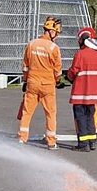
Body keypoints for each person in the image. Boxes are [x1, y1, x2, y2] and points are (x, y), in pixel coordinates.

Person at [18, 17, 62, 149]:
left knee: (27, 112)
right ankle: (51, 142)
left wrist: (25, 80)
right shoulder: (54, 48)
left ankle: (22, 138)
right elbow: (57, 70)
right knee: (50, 114)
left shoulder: (31, 44)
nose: (57, 36)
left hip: (32, 83)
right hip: (47, 86)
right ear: (51, 32)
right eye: (56, 33)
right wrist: (58, 81)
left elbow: (25, 66)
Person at [66, 25, 97, 150]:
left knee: (80, 118)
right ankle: (92, 142)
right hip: (93, 95)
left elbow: (73, 71)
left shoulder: (80, 54)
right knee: (90, 118)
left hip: (80, 94)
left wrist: (68, 77)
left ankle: (83, 144)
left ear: (84, 39)